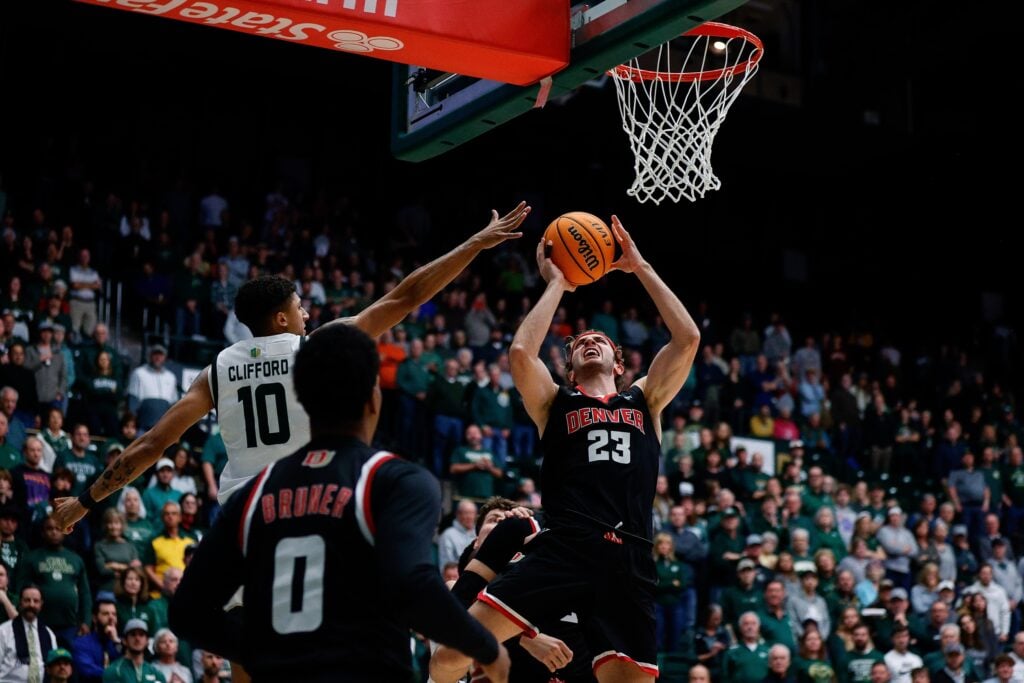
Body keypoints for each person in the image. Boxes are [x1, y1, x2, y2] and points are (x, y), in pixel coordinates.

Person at [53, 202, 530, 530]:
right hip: (308, 502)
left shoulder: (216, 370)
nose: (308, 314)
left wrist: (84, 502)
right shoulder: (315, 347)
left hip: (243, 516)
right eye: (301, 307)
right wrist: (473, 244)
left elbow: (152, 444)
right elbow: (407, 296)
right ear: (282, 317)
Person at [432, 217, 700, 683]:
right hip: (566, 544)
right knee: (453, 652)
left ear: (619, 363)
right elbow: (521, 353)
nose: (589, 342)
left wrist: (640, 267)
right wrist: (558, 282)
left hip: (630, 555)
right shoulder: (555, 403)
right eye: (579, 343)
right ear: (571, 368)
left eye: (599, 341)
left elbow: (688, 338)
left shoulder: (645, 398)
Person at [169, 324, 509, 682]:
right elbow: (413, 585)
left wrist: (263, 652)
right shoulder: (396, 482)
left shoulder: (254, 494)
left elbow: (187, 613)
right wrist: (487, 647)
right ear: (374, 398)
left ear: (301, 401)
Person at [0, 586, 57, 682]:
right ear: (20, 602)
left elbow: (53, 667)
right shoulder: (3, 631)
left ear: (41, 604)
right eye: (27, 600)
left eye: (36, 601)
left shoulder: (49, 634)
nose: (31, 605)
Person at [71, 592, 121, 683]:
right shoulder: (81, 643)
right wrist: (117, 675)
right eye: (106, 614)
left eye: (114, 614)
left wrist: (116, 642)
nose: (111, 618)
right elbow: (88, 672)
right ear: (94, 618)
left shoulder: (119, 644)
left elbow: (129, 666)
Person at [102, 618, 165, 683]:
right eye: (133, 634)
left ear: (147, 641)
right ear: (124, 640)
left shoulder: (156, 674)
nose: (137, 638)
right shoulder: (114, 671)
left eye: (141, 635)